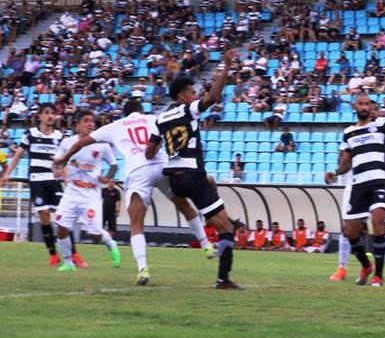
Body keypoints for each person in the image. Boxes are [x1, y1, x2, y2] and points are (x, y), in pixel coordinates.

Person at [58, 98, 225, 284]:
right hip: (162, 166)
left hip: (137, 171)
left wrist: (64, 159)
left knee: (137, 223)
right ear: (141, 110)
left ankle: (143, 269)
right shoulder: (154, 118)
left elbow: (81, 143)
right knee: (183, 205)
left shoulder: (116, 125)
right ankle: (206, 246)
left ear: (124, 113)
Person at [145, 49, 243, 289]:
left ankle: (221, 219)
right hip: (190, 173)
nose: (195, 94)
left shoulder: (159, 119)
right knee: (227, 230)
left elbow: (149, 152)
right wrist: (227, 67)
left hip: (175, 179)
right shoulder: (188, 109)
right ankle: (223, 279)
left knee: (210, 183)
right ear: (181, 96)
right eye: (191, 92)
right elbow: (215, 97)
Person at [327, 93, 385, 287]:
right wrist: (334, 172)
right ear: (355, 107)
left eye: (367, 104)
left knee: (379, 221)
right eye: (361, 104)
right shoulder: (348, 133)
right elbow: (345, 164)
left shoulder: (381, 126)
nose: (365, 106)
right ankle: (366, 266)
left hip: (378, 182)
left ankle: (379, 276)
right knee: (351, 232)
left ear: (371, 107)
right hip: (358, 184)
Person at [0, 104, 84, 268]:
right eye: (47, 113)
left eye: (52, 113)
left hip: (53, 180)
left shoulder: (60, 136)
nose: (50, 116)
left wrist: (67, 178)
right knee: (44, 216)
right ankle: (53, 254)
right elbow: (18, 154)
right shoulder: (30, 134)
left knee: (62, 218)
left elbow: (64, 160)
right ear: (40, 116)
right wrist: (8, 173)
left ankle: (74, 253)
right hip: (36, 180)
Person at [50, 113, 122, 272]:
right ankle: (68, 263)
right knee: (60, 227)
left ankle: (111, 244)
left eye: (92, 121)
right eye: (86, 121)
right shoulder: (67, 142)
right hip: (72, 191)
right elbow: (56, 162)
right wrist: (56, 170)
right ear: (77, 126)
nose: (90, 124)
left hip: (91, 194)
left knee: (94, 235)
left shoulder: (102, 145)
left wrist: (108, 178)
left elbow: (114, 165)